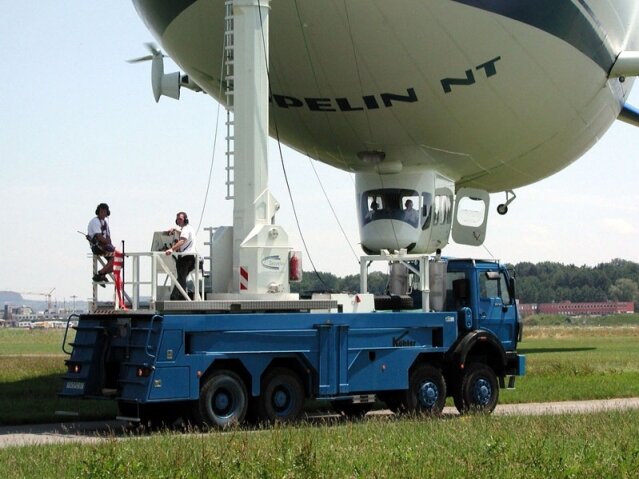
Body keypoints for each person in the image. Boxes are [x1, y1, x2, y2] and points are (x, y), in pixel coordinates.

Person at [165, 211, 197, 300]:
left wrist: (172, 249)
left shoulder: (185, 229)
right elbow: (182, 233)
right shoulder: (188, 228)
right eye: (177, 219)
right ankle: (174, 296)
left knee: (181, 279)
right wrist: (175, 230)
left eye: (180, 219)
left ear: (185, 220)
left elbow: (183, 240)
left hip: (185, 258)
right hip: (191, 258)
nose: (178, 221)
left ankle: (183, 298)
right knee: (180, 278)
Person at [87, 203, 115, 284]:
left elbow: (108, 237)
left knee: (120, 263)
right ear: (98, 212)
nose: (103, 213)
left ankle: (101, 274)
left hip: (105, 247)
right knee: (115, 257)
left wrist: (110, 246)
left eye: (105, 212)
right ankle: (100, 275)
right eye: (101, 211)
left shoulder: (105, 223)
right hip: (97, 247)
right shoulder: (95, 222)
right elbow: (99, 237)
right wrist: (108, 244)